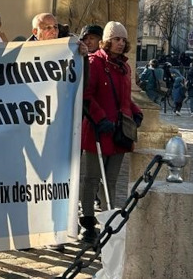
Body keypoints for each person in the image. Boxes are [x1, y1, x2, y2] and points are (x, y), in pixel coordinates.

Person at [79, 21, 142, 242]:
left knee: (111, 180)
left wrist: (136, 112)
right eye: (116, 39)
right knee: (92, 178)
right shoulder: (95, 62)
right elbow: (87, 95)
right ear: (107, 41)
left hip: (119, 132)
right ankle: (87, 222)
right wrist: (100, 118)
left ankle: (108, 220)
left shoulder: (125, 67)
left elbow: (125, 98)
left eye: (123, 40)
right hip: (98, 130)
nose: (120, 43)